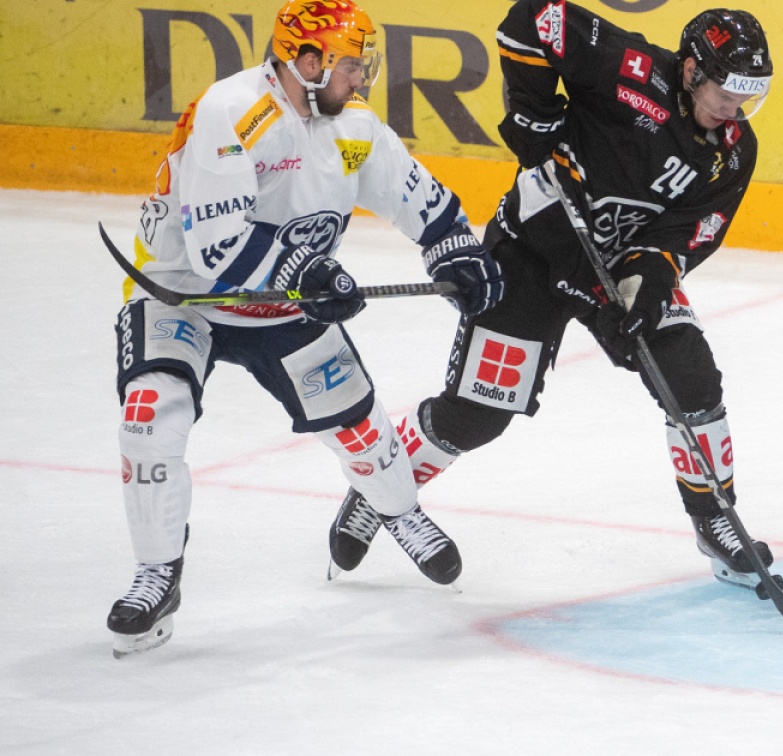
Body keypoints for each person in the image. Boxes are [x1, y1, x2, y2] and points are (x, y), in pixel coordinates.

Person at [325, 3, 779, 588]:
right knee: (477, 417)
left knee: (691, 378)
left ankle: (715, 519)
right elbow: (533, 17)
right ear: (691, 70)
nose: (732, 109)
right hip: (534, 250)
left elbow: (686, 233)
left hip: (617, 267)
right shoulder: (629, 67)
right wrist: (534, 115)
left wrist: (645, 290)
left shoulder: (734, 150)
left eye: (747, 97)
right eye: (725, 92)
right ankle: (381, 488)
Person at [107, 0, 504, 657]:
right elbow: (217, 248)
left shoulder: (353, 126)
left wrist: (455, 250)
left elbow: (413, 196)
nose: (361, 78)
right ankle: (157, 573)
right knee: (149, 419)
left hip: (283, 305)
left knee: (360, 427)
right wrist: (308, 271)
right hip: (183, 296)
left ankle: (400, 512)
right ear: (308, 61)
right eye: (351, 65)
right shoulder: (232, 111)